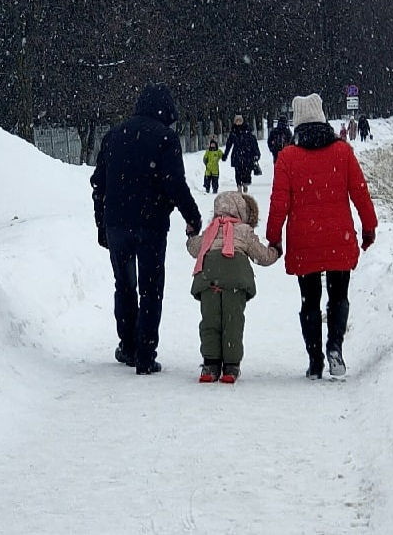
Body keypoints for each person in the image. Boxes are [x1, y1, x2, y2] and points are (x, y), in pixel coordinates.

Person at [91, 83, 202, 375]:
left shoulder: (114, 135)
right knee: (151, 290)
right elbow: (174, 183)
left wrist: (101, 223)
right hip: (151, 225)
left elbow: (98, 184)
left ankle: (127, 346)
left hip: (117, 223)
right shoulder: (165, 138)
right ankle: (145, 354)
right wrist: (192, 216)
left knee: (124, 285)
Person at [266, 93, 378, 380]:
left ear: (296, 122)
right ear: (323, 117)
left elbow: (279, 202)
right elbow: (360, 192)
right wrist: (368, 227)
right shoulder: (342, 152)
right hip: (338, 237)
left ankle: (315, 359)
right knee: (339, 297)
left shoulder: (288, 157)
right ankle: (335, 347)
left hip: (305, 241)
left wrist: (273, 237)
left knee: (309, 300)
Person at [187, 191, 280, 384]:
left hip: (208, 278)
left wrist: (190, 235)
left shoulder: (211, 229)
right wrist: (276, 251)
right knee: (233, 322)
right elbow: (262, 256)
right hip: (235, 280)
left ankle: (211, 365)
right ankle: (230, 366)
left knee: (210, 322)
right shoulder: (244, 231)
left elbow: (194, 249)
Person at [223, 114, 260, 194]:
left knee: (247, 172)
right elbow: (228, 144)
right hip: (237, 155)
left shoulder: (247, 131)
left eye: (240, 120)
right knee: (238, 172)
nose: (238, 122)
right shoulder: (233, 132)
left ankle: (245, 184)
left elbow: (253, 143)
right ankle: (239, 185)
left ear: (242, 121)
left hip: (247, 155)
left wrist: (256, 154)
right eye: (237, 121)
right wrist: (225, 155)